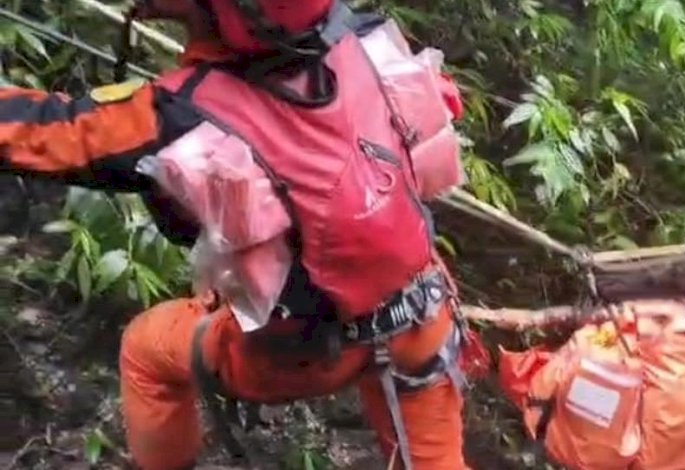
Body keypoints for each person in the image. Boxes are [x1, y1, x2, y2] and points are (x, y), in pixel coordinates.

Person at [0, 1, 472, 469]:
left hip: (305, 350)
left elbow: (52, 132)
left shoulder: (183, 114)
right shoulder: (364, 39)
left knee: (147, 351)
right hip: (421, 311)